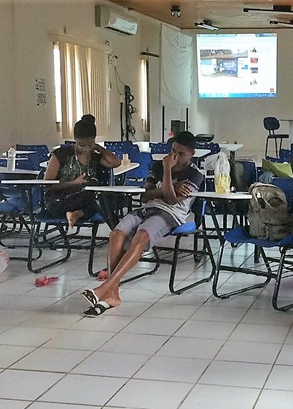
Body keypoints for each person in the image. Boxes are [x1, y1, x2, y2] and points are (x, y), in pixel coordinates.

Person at [81, 131, 204, 316]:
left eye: (181, 154)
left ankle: (106, 286)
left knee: (142, 235)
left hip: (170, 215)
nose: (174, 157)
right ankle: (112, 293)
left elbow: (171, 200)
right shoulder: (158, 165)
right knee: (117, 233)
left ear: (192, 154)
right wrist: (166, 186)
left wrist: (167, 174)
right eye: (173, 151)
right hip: (147, 208)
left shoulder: (195, 174)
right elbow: (145, 195)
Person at [44, 114, 121, 228]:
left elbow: (116, 162)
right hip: (58, 200)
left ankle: (77, 214)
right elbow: (47, 185)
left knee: (114, 198)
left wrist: (99, 148)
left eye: (89, 145)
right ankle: (117, 231)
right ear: (75, 139)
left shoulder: (94, 156)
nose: (86, 148)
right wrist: (73, 183)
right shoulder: (61, 154)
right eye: (81, 145)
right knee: (98, 199)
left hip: (86, 200)